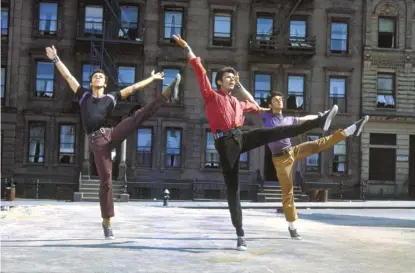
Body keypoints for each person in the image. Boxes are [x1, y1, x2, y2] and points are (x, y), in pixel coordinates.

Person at [172, 35, 338, 251]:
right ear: (219, 81)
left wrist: (308, 116)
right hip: (225, 144)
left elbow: (255, 105)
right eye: (228, 77)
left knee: (277, 131)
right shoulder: (211, 96)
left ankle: (320, 121)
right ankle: (240, 234)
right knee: (234, 190)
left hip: (240, 136)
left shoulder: (239, 103)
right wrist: (187, 48)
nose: (232, 79)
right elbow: (200, 70)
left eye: (234, 77)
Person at [45, 45, 181, 239]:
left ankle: (165, 95)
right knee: (106, 181)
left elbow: (133, 88)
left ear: (105, 83)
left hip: (111, 133)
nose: (98, 78)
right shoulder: (83, 95)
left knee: (136, 118)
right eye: (95, 77)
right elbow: (68, 77)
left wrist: (152, 78)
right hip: (96, 142)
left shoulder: (111, 97)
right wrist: (56, 59)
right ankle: (107, 221)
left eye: (101, 77)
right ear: (91, 82)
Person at [260, 91, 369, 239]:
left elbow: (305, 119)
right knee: (288, 191)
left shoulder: (289, 119)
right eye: (275, 99)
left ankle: (350, 130)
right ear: (270, 104)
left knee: (318, 144)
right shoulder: (266, 117)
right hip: (280, 160)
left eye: (280, 99)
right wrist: (239, 86)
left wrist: (319, 118)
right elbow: (251, 102)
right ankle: (292, 226)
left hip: (291, 151)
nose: (279, 100)